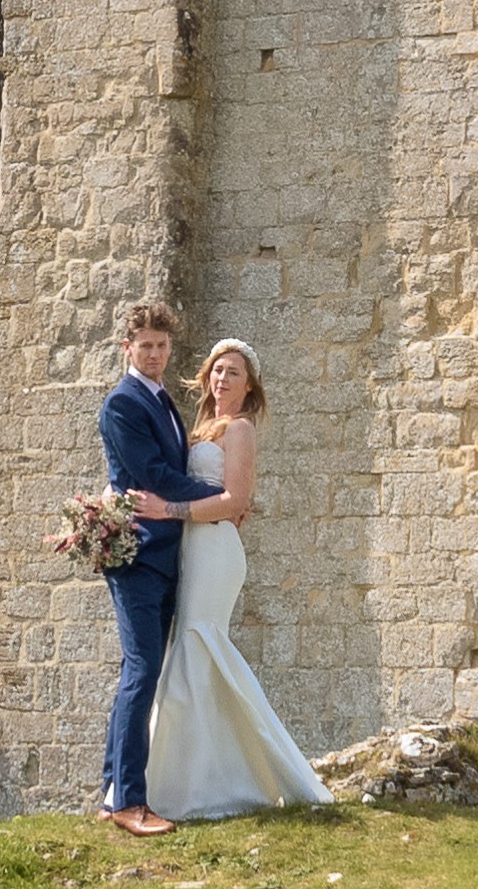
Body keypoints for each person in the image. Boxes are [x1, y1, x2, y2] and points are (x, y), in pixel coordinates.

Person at [144, 337, 332, 820]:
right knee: (187, 656)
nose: (222, 378)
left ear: (249, 387)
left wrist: (169, 510)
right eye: (217, 370)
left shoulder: (241, 428)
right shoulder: (199, 428)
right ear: (206, 376)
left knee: (198, 645)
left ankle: (207, 786)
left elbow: (235, 501)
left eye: (234, 372)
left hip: (215, 549)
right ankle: (193, 779)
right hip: (191, 546)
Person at [98, 302, 227, 838]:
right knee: (141, 672)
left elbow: (168, 469)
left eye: (161, 345)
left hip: (165, 554)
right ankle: (129, 803)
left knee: (141, 673)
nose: (154, 354)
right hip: (137, 556)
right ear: (126, 348)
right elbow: (153, 475)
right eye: (145, 345)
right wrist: (221, 497)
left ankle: (113, 795)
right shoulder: (123, 404)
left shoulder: (163, 400)